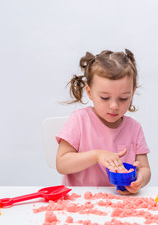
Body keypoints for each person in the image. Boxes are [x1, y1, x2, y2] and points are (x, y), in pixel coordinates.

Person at [56, 49, 151, 195]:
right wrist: (96, 155)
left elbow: (145, 169)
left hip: (119, 201)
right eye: (105, 98)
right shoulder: (79, 120)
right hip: (80, 200)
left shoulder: (134, 128)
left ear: (132, 92)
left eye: (123, 98)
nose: (114, 106)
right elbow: (61, 164)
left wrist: (140, 179)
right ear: (89, 92)